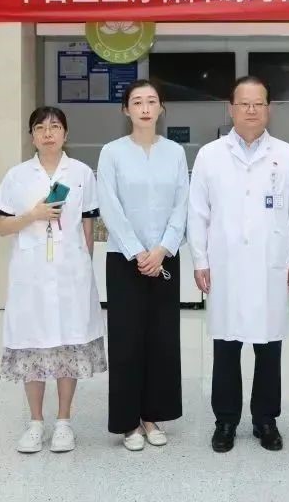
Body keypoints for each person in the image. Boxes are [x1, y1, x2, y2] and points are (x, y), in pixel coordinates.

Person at [187, 76, 289, 453]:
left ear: (269, 109)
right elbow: (198, 212)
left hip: (270, 265)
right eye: (244, 103)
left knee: (269, 347)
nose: (251, 110)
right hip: (224, 265)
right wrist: (200, 259)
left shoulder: (286, 155)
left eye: (258, 103)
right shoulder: (210, 155)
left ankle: (265, 420)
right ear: (231, 108)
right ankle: (225, 420)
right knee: (225, 346)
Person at [0, 106, 107, 454]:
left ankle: (64, 422)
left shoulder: (82, 173)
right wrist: (33, 215)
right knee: (33, 343)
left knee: (68, 343)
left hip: (71, 272)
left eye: (55, 127)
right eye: (40, 128)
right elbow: (2, 227)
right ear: (32, 136)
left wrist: (83, 265)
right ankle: (35, 422)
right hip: (31, 274)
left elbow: (88, 225)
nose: (47, 133)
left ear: (65, 134)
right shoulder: (17, 176)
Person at [96, 80, 188, 451]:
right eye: (137, 102)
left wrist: (163, 248)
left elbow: (182, 202)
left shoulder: (175, 152)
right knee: (127, 340)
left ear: (161, 108)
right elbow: (109, 205)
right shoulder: (112, 152)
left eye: (152, 101)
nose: (145, 108)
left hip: (164, 258)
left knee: (162, 339)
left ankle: (152, 416)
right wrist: (137, 251)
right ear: (126, 110)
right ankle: (128, 422)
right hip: (124, 260)